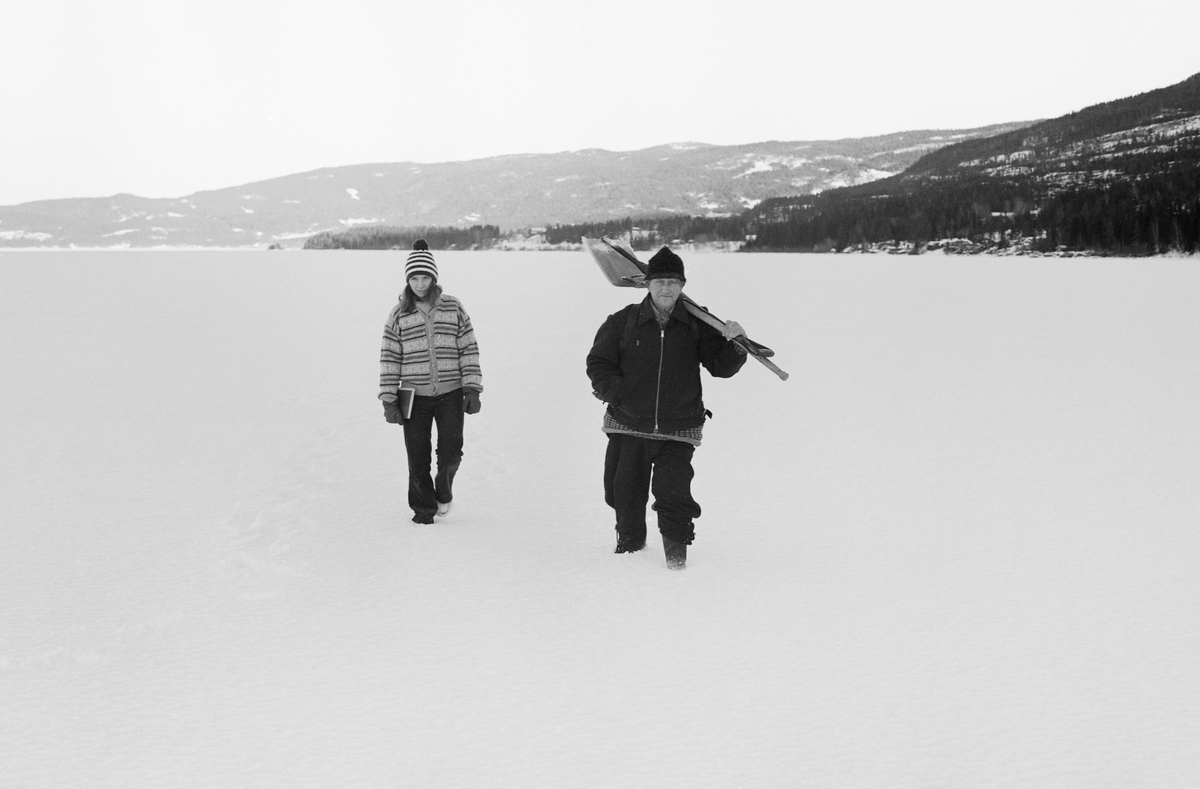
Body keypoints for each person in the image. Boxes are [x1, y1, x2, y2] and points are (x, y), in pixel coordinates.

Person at [586, 246, 747, 569]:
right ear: (647, 284)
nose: (666, 288)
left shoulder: (697, 323)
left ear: (682, 286)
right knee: (623, 495)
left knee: (674, 495)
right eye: (659, 281)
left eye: (673, 282)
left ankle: (676, 561)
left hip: (679, 426)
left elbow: (721, 366)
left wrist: (737, 344)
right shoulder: (622, 322)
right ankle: (628, 552)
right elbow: (598, 364)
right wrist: (620, 395)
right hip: (628, 424)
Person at [379, 240, 483, 524]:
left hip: (450, 392)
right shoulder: (399, 314)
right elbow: (389, 358)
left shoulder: (452, 306)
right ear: (407, 280)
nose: (420, 283)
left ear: (434, 278)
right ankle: (424, 511)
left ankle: (444, 488)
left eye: (425, 277)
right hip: (413, 396)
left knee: (451, 453)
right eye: (414, 278)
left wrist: (472, 386)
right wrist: (389, 399)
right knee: (417, 456)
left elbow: (468, 347)